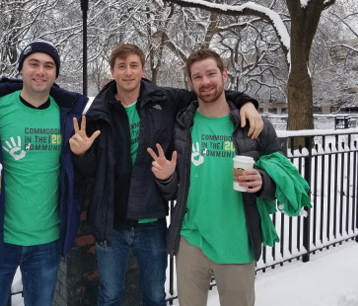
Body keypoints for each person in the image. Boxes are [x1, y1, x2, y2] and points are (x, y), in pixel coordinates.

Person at [69, 44, 263, 306]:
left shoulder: (164, 100)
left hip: (151, 220)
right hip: (111, 222)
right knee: (110, 295)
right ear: (112, 71)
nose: (128, 72)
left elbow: (207, 92)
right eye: (122, 66)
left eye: (134, 65)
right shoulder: (97, 112)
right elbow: (91, 172)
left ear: (143, 69)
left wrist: (246, 102)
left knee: (155, 296)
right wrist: (82, 155)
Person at [0, 39, 88, 306]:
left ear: (55, 74)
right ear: (21, 69)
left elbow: (80, 170)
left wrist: (84, 155)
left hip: (47, 241)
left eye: (48, 66)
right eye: (33, 64)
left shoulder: (69, 117)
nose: (40, 71)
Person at [147, 48, 281, 306]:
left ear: (224, 75)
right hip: (191, 242)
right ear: (190, 82)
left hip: (236, 244)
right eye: (197, 77)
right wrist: (166, 179)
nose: (205, 82)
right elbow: (175, 191)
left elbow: (285, 176)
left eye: (211, 74)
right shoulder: (182, 126)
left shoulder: (252, 124)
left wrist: (264, 181)